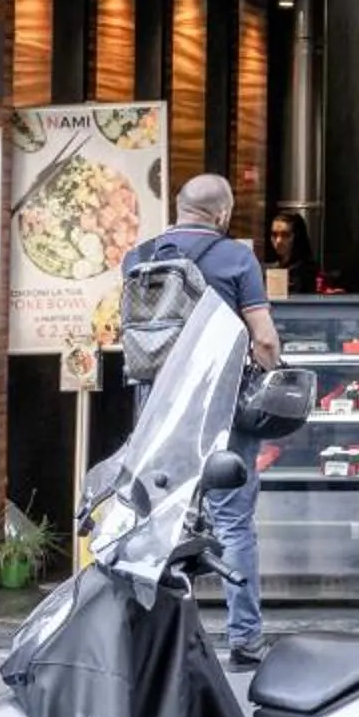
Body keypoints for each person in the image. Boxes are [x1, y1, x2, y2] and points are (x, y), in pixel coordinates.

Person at [125, 175, 282, 665]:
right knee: (233, 521)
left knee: (160, 518)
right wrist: (271, 376)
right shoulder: (236, 257)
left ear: (178, 206)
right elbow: (265, 338)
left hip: (157, 408)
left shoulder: (140, 256)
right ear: (224, 213)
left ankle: (157, 635)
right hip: (221, 407)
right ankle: (245, 639)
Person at [259, 208, 320, 298]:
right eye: (274, 235)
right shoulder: (265, 269)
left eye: (285, 235)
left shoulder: (307, 272)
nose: (278, 241)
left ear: (297, 237)